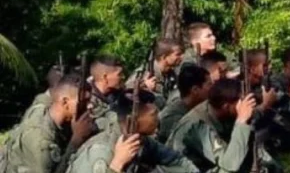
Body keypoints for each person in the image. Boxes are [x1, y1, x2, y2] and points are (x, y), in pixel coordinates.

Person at [67, 90, 198, 173]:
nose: (158, 118)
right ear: (134, 119)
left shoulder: (139, 139)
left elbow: (175, 159)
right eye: (153, 114)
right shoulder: (102, 152)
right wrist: (117, 165)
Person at [168, 78, 282, 173]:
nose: (244, 107)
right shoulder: (199, 124)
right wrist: (241, 120)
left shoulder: (219, 110)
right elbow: (231, 164)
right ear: (226, 106)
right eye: (240, 103)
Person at [0, 75, 95, 173]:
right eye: (84, 101)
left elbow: (46, 96)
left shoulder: (47, 108)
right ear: (65, 102)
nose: (89, 106)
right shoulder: (40, 139)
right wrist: (75, 141)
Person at [158, 65, 212, 144]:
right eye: (209, 84)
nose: (213, 88)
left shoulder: (197, 106)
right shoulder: (173, 116)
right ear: (195, 90)